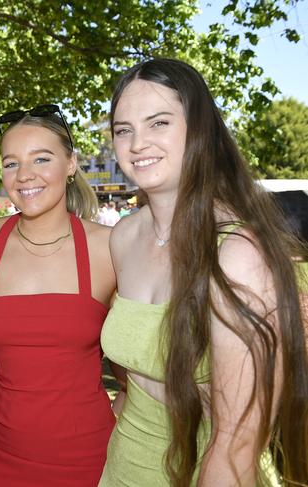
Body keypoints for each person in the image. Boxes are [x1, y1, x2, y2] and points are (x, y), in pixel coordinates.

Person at [99, 58, 308, 486]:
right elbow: (133, 362)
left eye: (158, 123)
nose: (138, 142)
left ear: (200, 130)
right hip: (123, 465)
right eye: (124, 129)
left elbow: (235, 447)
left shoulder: (237, 254)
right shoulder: (123, 237)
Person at [0, 104, 117, 486]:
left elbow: (132, 369)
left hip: (87, 458)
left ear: (71, 164)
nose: (24, 176)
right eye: (11, 163)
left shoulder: (109, 248)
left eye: (41, 159)